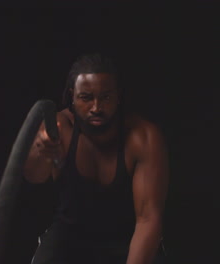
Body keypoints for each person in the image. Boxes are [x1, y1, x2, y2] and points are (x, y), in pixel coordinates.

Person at [24, 53, 169, 264]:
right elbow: (34, 177)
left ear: (118, 96)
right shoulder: (59, 128)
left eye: (105, 97)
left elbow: (148, 219)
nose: (96, 107)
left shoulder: (143, 137)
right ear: (72, 96)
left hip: (127, 239)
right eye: (86, 97)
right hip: (69, 238)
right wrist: (41, 151)